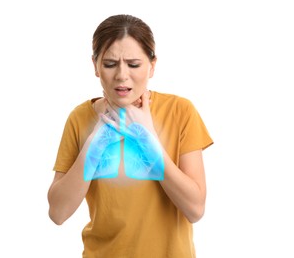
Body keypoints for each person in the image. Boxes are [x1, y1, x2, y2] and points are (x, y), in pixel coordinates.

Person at [48, 14, 213, 258]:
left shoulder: (180, 111)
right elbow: (58, 213)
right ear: (95, 65)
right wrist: (93, 146)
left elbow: (195, 209)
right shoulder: (79, 118)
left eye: (134, 64)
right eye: (110, 63)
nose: (122, 75)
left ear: (152, 65)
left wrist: (149, 142)